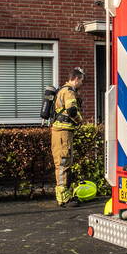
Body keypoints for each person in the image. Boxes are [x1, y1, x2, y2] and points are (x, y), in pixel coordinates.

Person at [51, 67, 85, 208]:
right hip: (63, 132)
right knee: (63, 163)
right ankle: (63, 198)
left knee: (64, 162)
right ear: (76, 79)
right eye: (81, 81)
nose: (82, 84)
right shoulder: (69, 91)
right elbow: (71, 110)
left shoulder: (62, 90)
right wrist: (79, 120)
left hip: (62, 132)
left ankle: (65, 195)